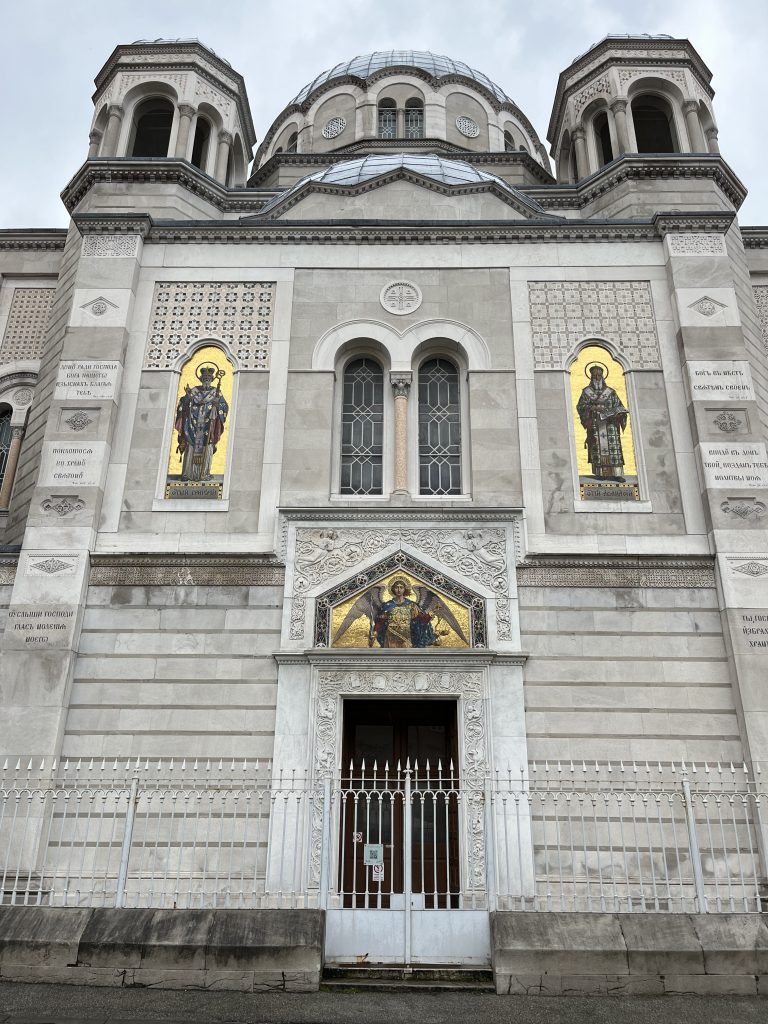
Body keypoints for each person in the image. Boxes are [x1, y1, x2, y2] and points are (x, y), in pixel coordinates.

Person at [174, 364, 228, 482]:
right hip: (192, 425)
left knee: (207, 447)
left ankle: (204, 474)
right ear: (201, 379)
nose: (206, 380)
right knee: (190, 447)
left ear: (212, 379)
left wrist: (218, 405)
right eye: (204, 378)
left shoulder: (216, 392)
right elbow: (183, 403)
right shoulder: (194, 391)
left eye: (208, 378)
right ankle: (187, 474)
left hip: (209, 426)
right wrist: (187, 397)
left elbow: (224, 406)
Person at [576, 364, 628, 482]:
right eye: (595, 375)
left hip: (610, 425)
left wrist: (618, 413)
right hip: (595, 425)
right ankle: (600, 474)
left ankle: (616, 474)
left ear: (603, 376)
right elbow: (580, 406)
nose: (597, 377)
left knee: (614, 449)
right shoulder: (586, 392)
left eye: (599, 375)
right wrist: (591, 408)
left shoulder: (611, 392)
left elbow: (619, 405)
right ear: (591, 376)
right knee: (597, 449)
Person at [371, 577, 437, 649]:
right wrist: (375, 632)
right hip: (390, 637)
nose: (399, 590)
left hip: (406, 636)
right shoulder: (387, 605)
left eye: (401, 587)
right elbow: (380, 622)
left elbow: (422, 619)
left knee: (407, 654)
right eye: (397, 587)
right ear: (393, 589)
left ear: (404, 589)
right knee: (390, 654)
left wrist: (431, 613)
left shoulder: (411, 605)